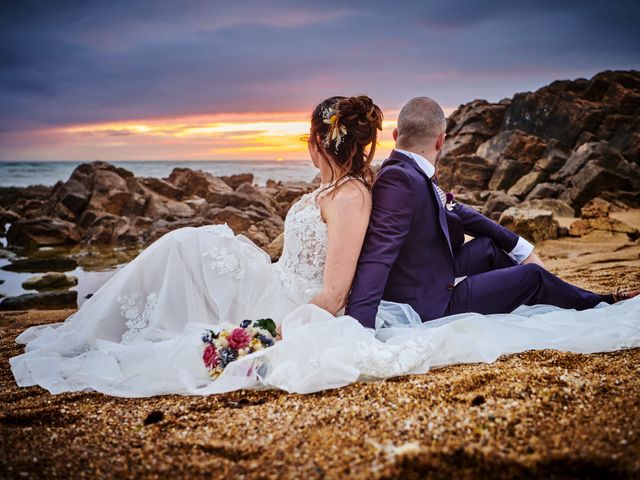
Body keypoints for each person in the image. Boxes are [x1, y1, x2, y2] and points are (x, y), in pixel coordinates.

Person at [10, 95, 383, 395]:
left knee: (184, 252)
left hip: (289, 305)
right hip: (271, 279)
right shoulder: (328, 190)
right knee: (182, 246)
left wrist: (273, 331)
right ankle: (94, 328)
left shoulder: (349, 196)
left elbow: (334, 294)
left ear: (318, 141)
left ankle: (99, 331)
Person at [346, 96, 640, 328]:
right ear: (441, 140)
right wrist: (361, 331)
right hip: (427, 303)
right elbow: (378, 255)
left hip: (430, 270)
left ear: (397, 134)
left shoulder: (410, 169)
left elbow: (455, 208)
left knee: (490, 248)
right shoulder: (400, 180)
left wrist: (519, 246)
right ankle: (601, 303)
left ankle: (547, 297)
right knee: (532, 277)